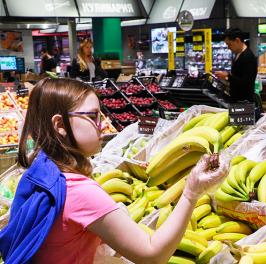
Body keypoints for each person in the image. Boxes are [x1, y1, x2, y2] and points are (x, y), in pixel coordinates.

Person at [0, 78, 228, 263]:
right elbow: (152, 254)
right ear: (60, 125)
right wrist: (191, 192)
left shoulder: (39, 171)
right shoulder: (79, 191)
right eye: (92, 116)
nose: (103, 123)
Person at [215, 28, 258, 103]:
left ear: (237, 40)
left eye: (229, 44)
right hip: (237, 100)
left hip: (244, 102)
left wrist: (227, 76)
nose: (228, 47)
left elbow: (246, 82)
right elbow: (238, 76)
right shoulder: (238, 54)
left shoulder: (248, 57)